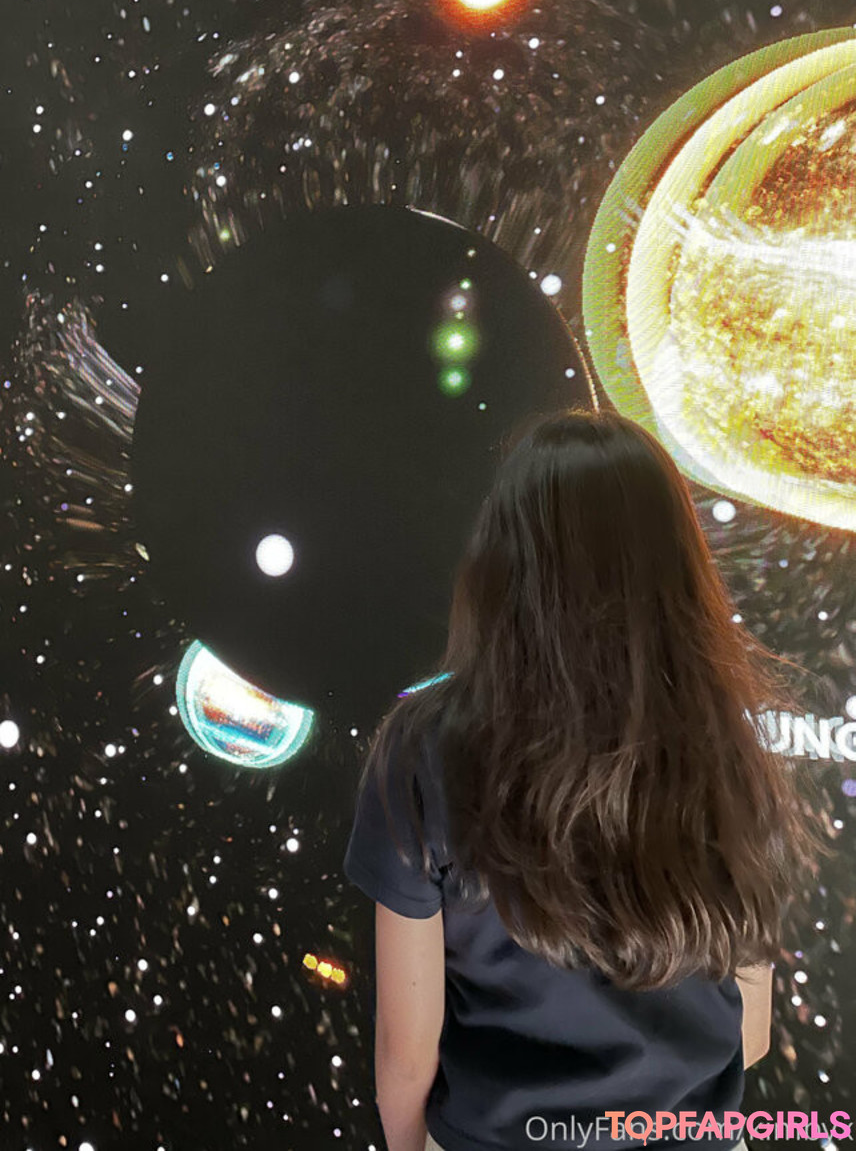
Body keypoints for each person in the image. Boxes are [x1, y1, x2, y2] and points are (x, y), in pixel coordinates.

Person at [343, 409, 832, 1151]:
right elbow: (751, 1030)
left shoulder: (423, 747)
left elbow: (405, 1052)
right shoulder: (730, 743)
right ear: (677, 559)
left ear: (502, 559)